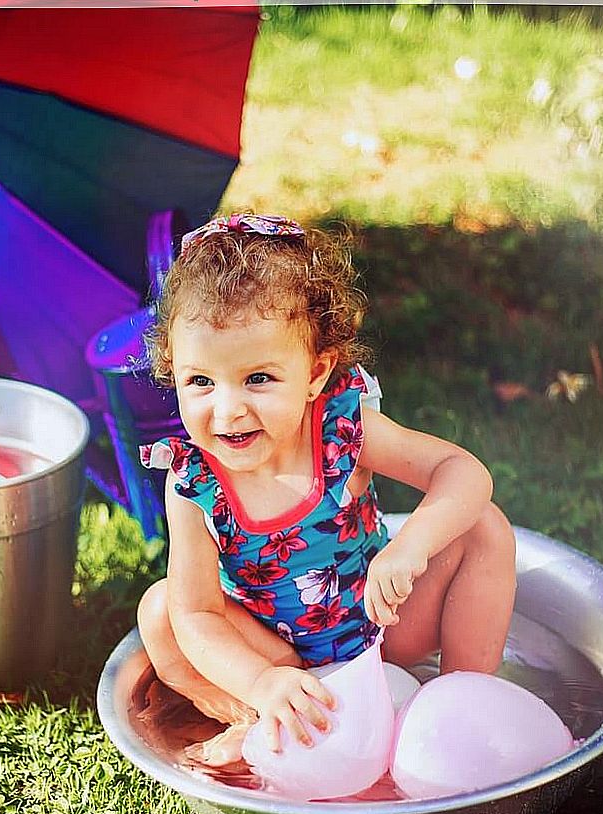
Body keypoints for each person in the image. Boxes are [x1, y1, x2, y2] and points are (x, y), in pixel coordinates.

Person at [136, 213, 517, 764]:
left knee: (482, 526)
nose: (228, 408)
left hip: (382, 624)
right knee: (161, 610)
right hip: (277, 651)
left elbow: (462, 472)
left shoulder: (342, 429)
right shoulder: (194, 482)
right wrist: (262, 680)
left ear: (315, 374)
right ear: (173, 373)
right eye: (200, 381)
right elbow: (198, 615)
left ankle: (458, 706)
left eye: (258, 378)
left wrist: (411, 547)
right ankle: (255, 720)